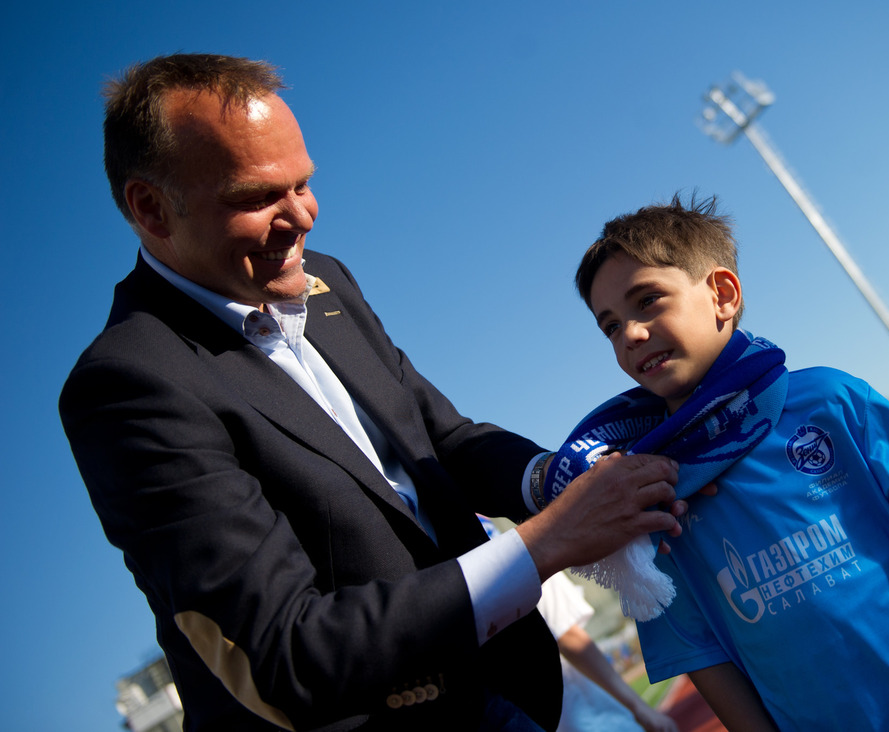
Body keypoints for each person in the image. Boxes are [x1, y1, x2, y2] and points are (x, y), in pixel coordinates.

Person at [58, 53, 687, 732]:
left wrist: (563, 478)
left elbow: (441, 439)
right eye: (256, 197)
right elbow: (291, 651)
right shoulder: (126, 385)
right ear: (150, 208)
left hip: (503, 690)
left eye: (303, 183)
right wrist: (547, 543)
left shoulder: (324, 282)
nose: (303, 215)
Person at [540, 193, 889, 730]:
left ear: (721, 293)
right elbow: (701, 654)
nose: (630, 335)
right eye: (610, 327)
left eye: (647, 301)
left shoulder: (829, 401)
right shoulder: (650, 491)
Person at [478, 517, 679, 732]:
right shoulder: (503, 546)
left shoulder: (456, 555)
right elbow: (567, 634)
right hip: (583, 717)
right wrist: (639, 707)